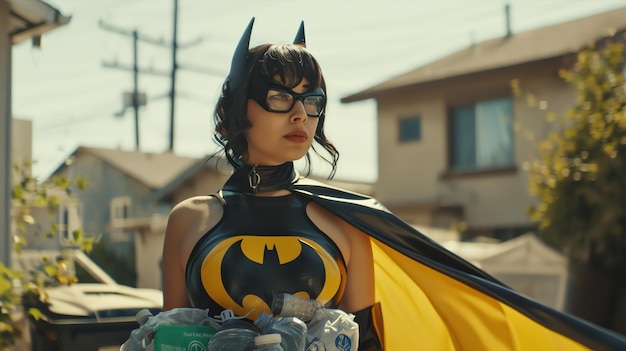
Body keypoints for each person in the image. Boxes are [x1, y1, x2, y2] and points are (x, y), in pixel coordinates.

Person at [161, 18, 626, 351]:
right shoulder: (190, 220)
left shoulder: (345, 221)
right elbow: (167, 336)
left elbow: (365, 341)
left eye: (312, 100)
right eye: (280, 97)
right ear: (242, 107)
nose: (300, 113)